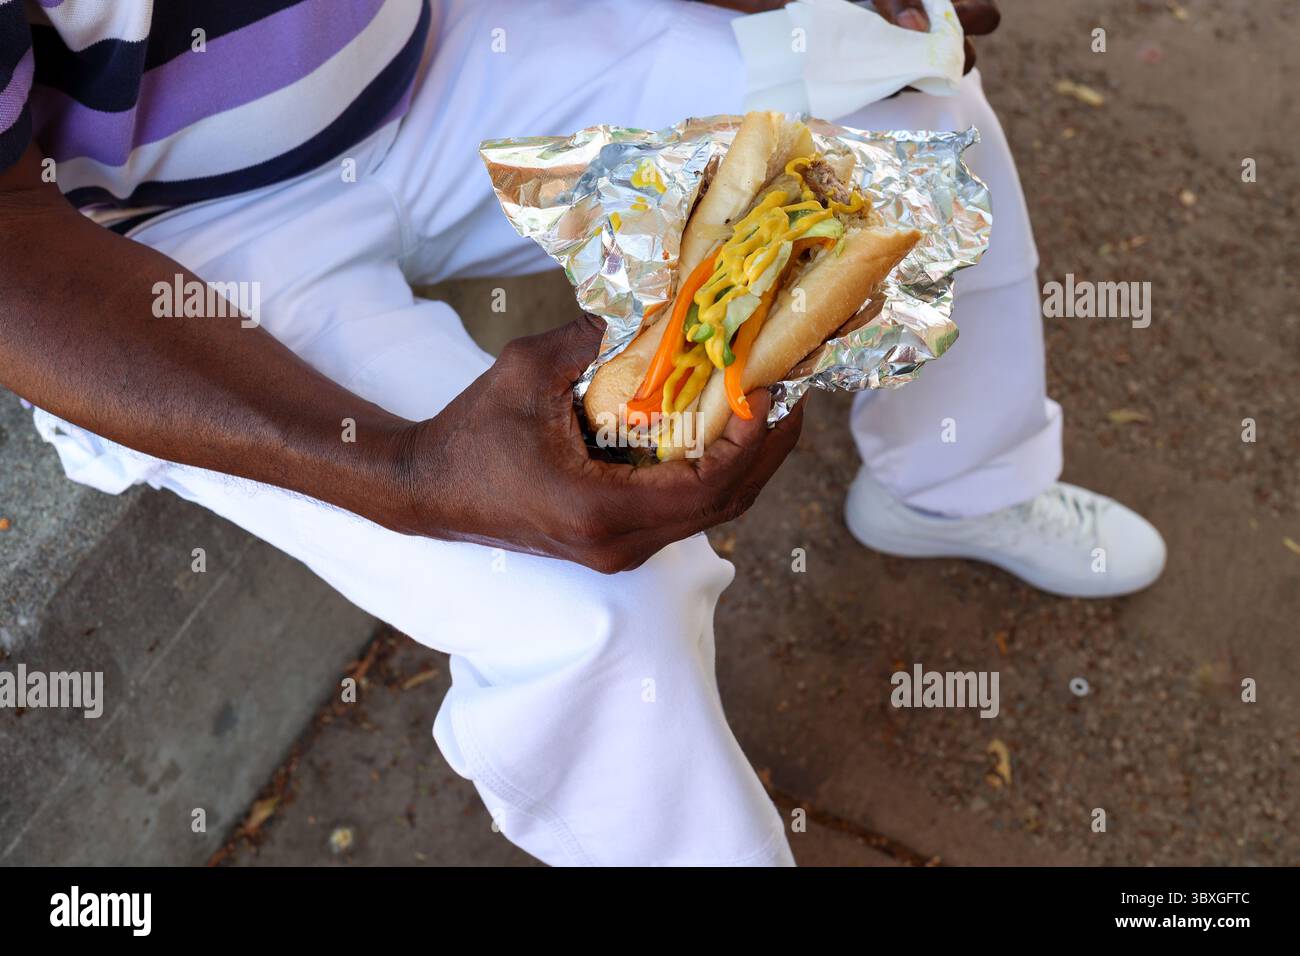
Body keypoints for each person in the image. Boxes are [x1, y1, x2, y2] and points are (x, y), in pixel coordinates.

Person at [0, 0, 1163, 866]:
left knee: (902, 96)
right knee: (596, 600)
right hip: (161, 232)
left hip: (443, 39)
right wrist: (405, 471)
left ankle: (956, 478)